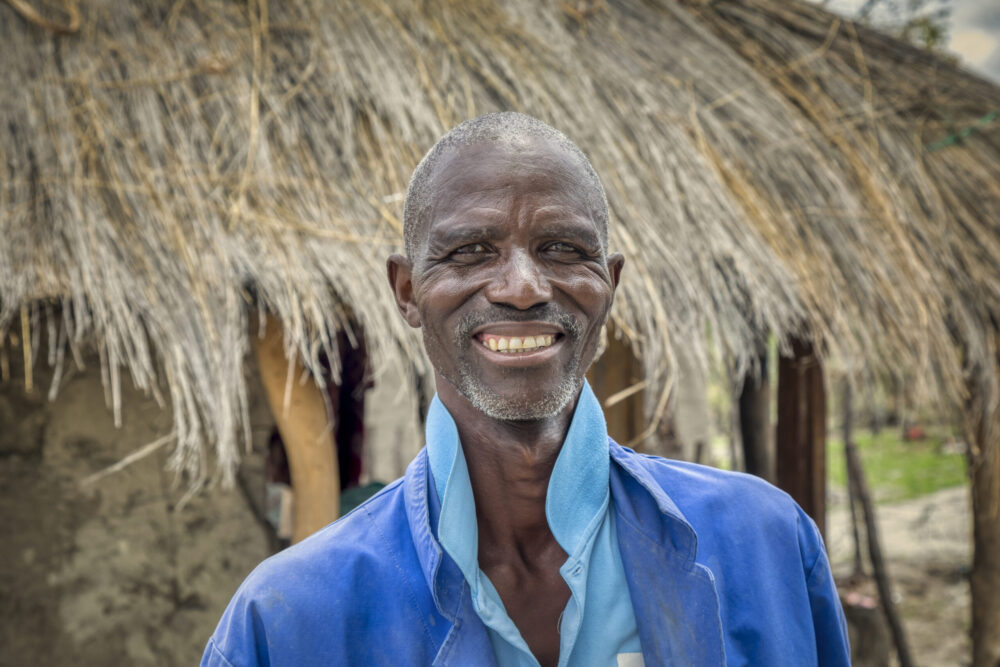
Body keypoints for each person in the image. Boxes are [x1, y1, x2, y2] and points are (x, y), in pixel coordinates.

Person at [202, 112, 850, 666]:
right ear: (406, 292)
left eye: (563, 248)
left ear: (610, 283)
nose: (523, 286)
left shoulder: (767, 549)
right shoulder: (288, 622)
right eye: (472, 250)